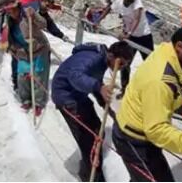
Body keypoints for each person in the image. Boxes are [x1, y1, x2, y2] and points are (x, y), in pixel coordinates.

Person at [113, 24, 182, 182]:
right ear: (180, 46)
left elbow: (171, 94)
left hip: (142, 131)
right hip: (133, 138)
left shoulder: (167, 53)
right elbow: (156, 129)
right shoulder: (160, 81)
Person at [52, 41, 134, 182]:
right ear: (111, 55)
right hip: (66, 97)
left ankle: (87, 168)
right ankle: (92, 177)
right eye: (120, 64)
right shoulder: (92, 58)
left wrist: (102, 101)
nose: (120, 69)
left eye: (124, 66)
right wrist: (99, 87)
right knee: (88, 139)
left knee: (97, 129)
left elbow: (96, 79)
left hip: (78, 95)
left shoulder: (103, 61)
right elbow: (75, 76)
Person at [96, 0, 154, 98]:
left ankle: (151, 91)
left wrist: (129, 33)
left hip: (144, 36)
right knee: (125, 62)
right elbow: (108, 9)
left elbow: (136, 19)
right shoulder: (119, 2)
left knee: (150, 64)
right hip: (131, 37)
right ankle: (124, 89)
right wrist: (98, 20)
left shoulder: (137, 3)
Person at [6, 3, 51, 116]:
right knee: (22, 76)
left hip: (39, 49)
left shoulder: (28, 14)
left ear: (17, 8)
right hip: (23, 52)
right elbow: (7, 38)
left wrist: (34, 16)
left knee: (38, 77)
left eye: (13, 10)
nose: (11, 13)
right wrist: (13, 48)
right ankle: (26, 100)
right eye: (9, 11)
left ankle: (38, 103)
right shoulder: (8, 21)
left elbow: (43, 24)